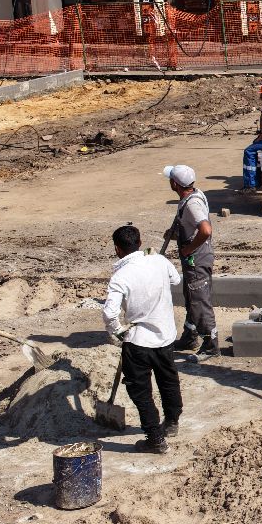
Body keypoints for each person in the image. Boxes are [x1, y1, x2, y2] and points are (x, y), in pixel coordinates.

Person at [102, 224, 183, 453]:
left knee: (140, 391)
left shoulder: (121, 275)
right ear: (139, 243)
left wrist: (117, 331)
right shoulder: (158, 261)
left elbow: (109, 313)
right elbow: (176, 280)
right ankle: (172, 421)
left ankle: (155, 438)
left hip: (138, 341)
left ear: (117, 249)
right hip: (165, 335)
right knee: (168, 380)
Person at [163, 165, 218, 361]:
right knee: (191, 296)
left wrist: (188, 248)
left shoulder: (193, 204)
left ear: (175, 183)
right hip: (195, 257)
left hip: (197, 257)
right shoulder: (192, 195)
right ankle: (190, 335)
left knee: (199, 299)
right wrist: (177, 233)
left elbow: (205, 230)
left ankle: (211, 345)